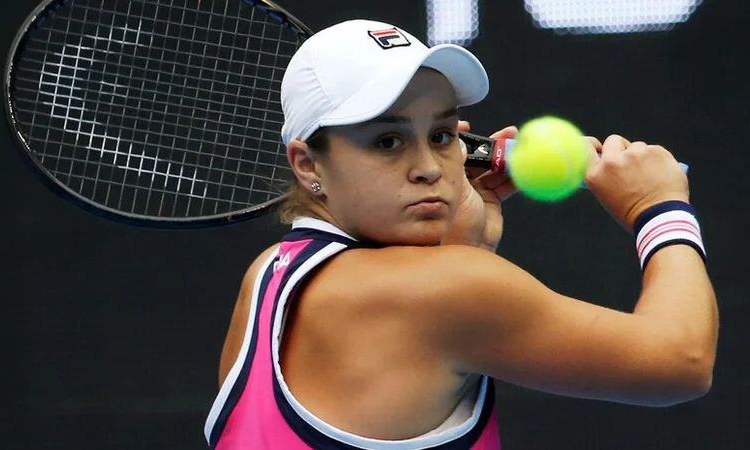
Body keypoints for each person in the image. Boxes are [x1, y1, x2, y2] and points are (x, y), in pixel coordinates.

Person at [204, 19, 718, 450]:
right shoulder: (447, 289)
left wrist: (467, 247)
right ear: (307, 163)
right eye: (387, 141)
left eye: (441, 135)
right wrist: (657, 208)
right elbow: (682, 361)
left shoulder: (267, 275)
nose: (429, 167)